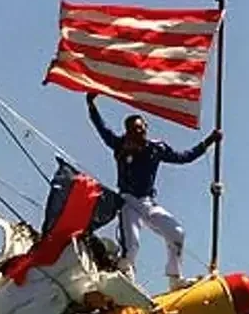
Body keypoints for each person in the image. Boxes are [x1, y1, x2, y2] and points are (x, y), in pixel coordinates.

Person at [85, 92, 222, 290]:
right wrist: (91, 104)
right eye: (134, 131)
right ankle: (124, 282)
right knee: (132, 247)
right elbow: (101, 127)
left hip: (148, 202)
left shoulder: (155, 149)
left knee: (176, 233)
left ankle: (175, 278)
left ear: (146, 129)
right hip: (128, 202)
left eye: (141, 129)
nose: (139, 133)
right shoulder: (120, 145)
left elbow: (184, 157)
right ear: (127, 132)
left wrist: (209, 141)